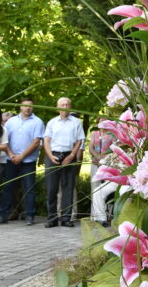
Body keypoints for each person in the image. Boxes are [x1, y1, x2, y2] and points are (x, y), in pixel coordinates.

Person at [0, 97, 45, 226]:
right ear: (20, 107)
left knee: (29, 188)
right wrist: (11, 155)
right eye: (25, 106)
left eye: (30, 106)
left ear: (32, 108)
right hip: (11, 160)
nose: (28, 108)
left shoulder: (37, 122)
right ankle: (3, 215)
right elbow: (4, 140)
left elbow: (36, 142)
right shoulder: (11, 121)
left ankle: (30, 215)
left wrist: (21, 156)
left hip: (28, 161)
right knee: (8, 188)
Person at [43, 97, 84, 228]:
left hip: (69, 155)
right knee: (51, 188)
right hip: (53, 155)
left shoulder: (76, 122)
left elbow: (79, 140)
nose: (65, 107)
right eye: (62, 104)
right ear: (57, 107)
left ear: (70, 107)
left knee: (68, 188)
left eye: (67, 104)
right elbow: (46, 141)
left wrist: (71, 156)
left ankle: (66, 218)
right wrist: (50, 156)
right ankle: (52, 218)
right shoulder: (52, 122)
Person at [89, 117, 115, 225]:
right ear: (98, 122)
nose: (102, 122)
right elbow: (90, 147)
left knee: (107, 189)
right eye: (101, 120)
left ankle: (108, 214)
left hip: (108, 164)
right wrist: (97, 156)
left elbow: (114, 148)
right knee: (95, 188)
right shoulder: (94, 133)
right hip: (95, 163)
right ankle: (95, 215)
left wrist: (104, 158)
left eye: (105, 120)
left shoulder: (112, 134)